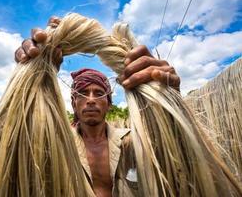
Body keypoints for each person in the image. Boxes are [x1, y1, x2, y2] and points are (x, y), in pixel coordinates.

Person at [14, 17, 181, 197]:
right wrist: (34, 69)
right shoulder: (58, 144)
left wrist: (169, 100)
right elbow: (22, 156)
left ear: (109, 103)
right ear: (73, 104)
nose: (91, 99)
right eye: (83, 93)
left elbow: (174, 162)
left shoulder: (130, 143)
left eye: (98, 93)